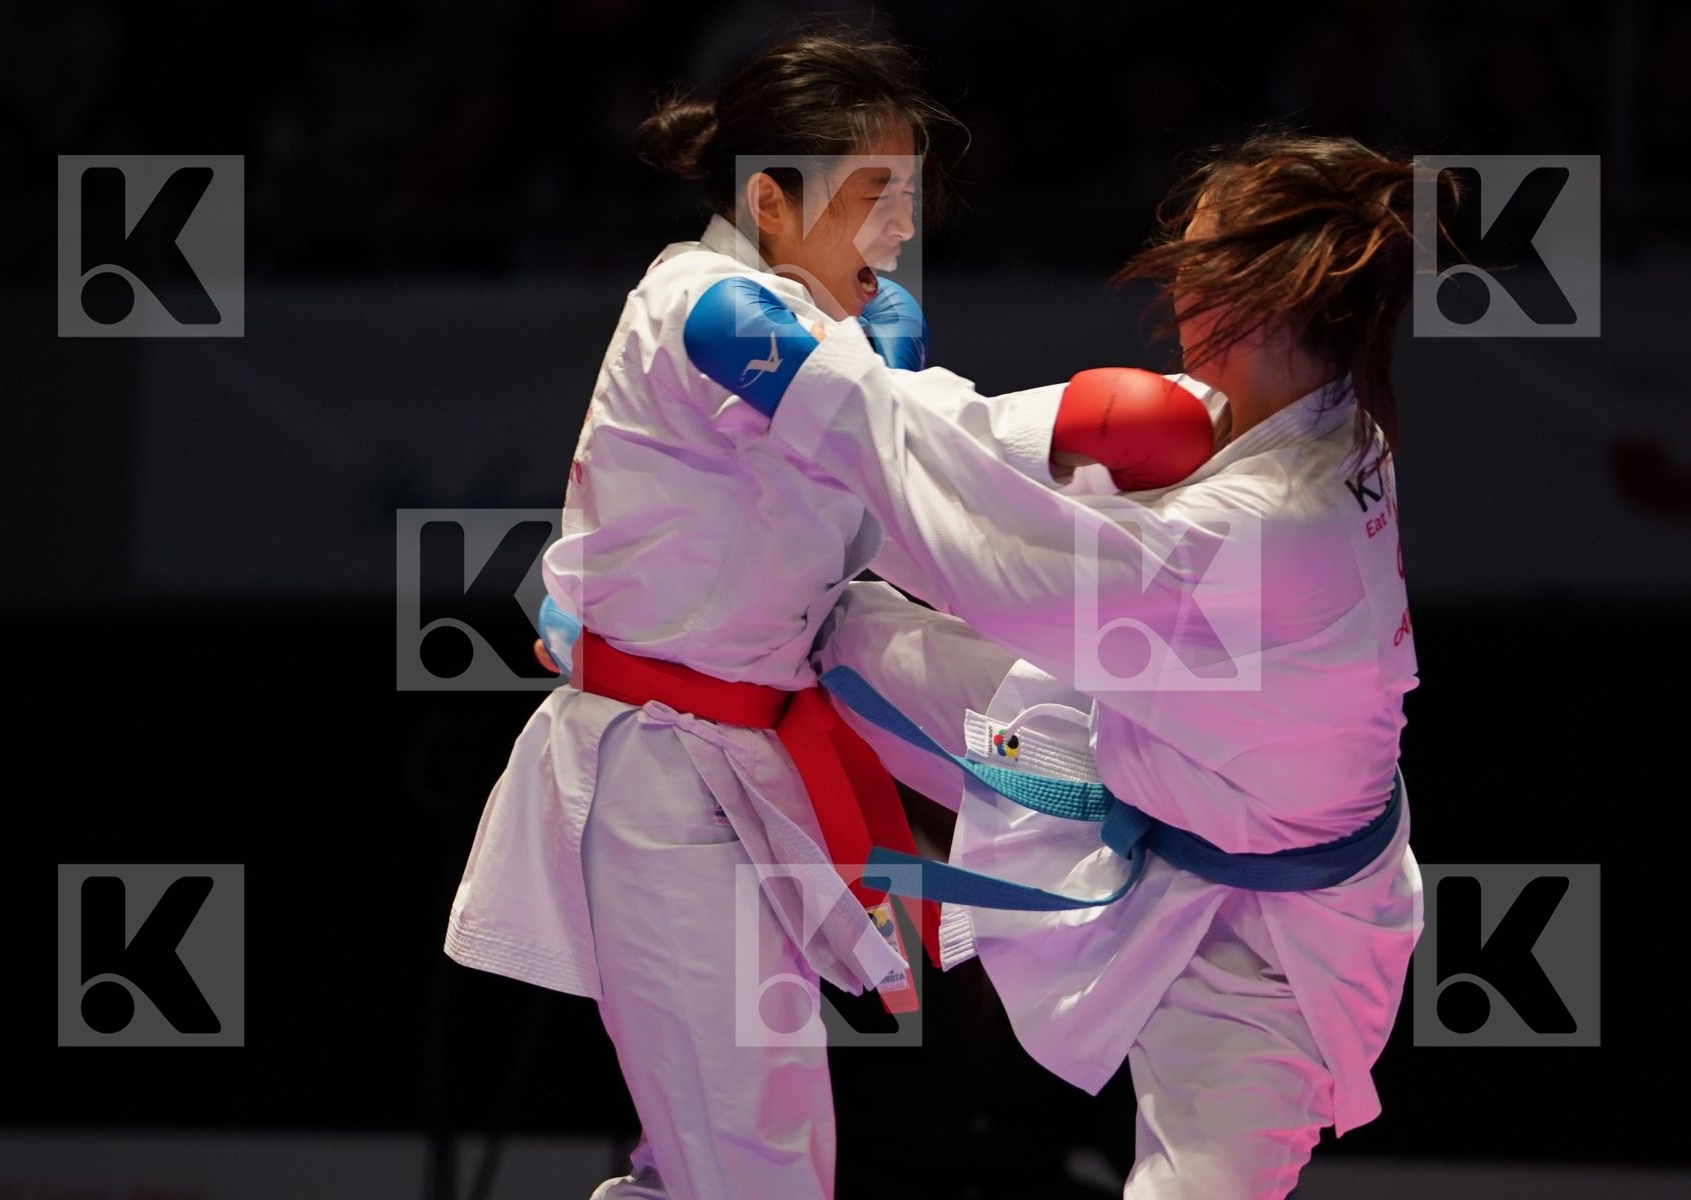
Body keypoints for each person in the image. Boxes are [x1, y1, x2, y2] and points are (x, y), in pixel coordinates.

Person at [442, 26, 1213, 1200]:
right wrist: (1070, 430)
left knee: (730, 1149)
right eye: (872, 197)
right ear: (769, 199)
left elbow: (893, 485)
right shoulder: (707, 311)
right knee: (749, 1155)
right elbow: (897, 448)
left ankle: (1192, 823)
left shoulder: (839, 330)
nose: (900, 229)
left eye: (907, 197)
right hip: (660, 773)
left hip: (764, 738)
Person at [681, 131, 1451, 1198]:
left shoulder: (1270, 526)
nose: (1176, 278)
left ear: (1262, 295)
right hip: (1127, 772)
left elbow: (990, 564)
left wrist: (822, 400)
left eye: (1198, 258)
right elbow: (1007, 451)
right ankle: (688, 1046)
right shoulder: (1295, 420)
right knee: (827, 633)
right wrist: (875, 385)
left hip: (1270, 961)